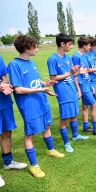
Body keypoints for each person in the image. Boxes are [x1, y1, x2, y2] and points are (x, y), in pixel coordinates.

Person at [8, 35, 65, 178]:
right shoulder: (14, 65)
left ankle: (51, 150)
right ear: (27, 48)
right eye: (35, 47)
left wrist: (45, 84)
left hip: (41, 100)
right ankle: (34, 166)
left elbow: (35, 81)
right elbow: (18, 89)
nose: (38, 50)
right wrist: (40, 89)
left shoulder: (31, 62)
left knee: (47, 126)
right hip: (29, 105)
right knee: (30, 134)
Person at [47, 33, 89, 153]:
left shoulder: (68, 57)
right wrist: (70, 73)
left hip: (72, 90)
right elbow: (53, 78)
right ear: (62, 44)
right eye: (69, 44)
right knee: (64, 119)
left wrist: (78, 73)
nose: (71, 46)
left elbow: (72, 74)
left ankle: (75, 136)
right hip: (63, 92)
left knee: (74, 115)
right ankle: (66, 143)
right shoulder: (53, 59)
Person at [72, 36, 96, 137]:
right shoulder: (76, 56)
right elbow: (74, 74)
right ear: (84, 46)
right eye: (89, 45)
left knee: (85, 106)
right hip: (82, 86)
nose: (90, 47)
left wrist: (91, 85)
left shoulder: (83, 55)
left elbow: (86, 71)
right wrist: (78, 89)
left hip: (88, 84)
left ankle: (85, 126)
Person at [0, 56, 27, 186]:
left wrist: (4, 86)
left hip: (3, 102)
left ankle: (8, 162)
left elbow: (3, 76)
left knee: (6, 132)